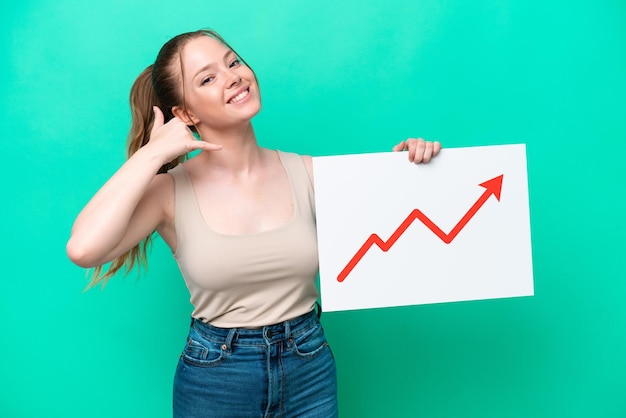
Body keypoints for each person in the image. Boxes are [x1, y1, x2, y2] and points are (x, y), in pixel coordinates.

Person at [66, 29, 441, 418]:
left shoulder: (309, 173)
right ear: (186, 115)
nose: (232, 77)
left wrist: (416, 168)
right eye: (207, 78)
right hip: (216, 378)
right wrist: (154, 152)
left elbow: (410, 229)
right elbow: (83, 248)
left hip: (309, 366)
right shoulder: (169, 192)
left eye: (233, 62)